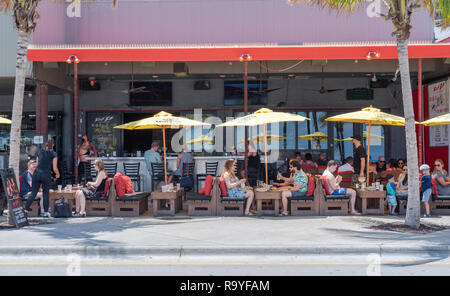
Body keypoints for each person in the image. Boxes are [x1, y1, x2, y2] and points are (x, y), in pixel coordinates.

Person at [24, 138, 60, 218]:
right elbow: (54, 167)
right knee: (45, 194)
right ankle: (46, 213)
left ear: (45, 144)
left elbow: (37, 164)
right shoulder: (54, 154)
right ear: (53, 145)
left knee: (33, 193)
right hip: (46, 175)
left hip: (36, 174)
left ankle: (25, 211)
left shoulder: (39, 152)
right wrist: (58, 174)